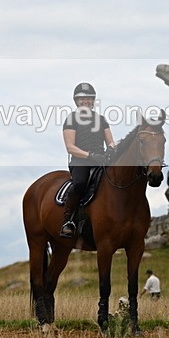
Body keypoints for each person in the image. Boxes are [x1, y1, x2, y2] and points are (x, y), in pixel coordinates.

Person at [59, 82, 116, 238]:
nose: (86, 101)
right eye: (82, 99)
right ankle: (68, 221)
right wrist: (90, 156)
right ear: (76, 101)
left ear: (93, 100)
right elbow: (70, 147)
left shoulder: (101, 119)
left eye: (89, 99)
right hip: (81, 161)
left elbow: (110, 140)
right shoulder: (71, 119)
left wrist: (110, 149)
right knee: (80, 184)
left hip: (101, 160)